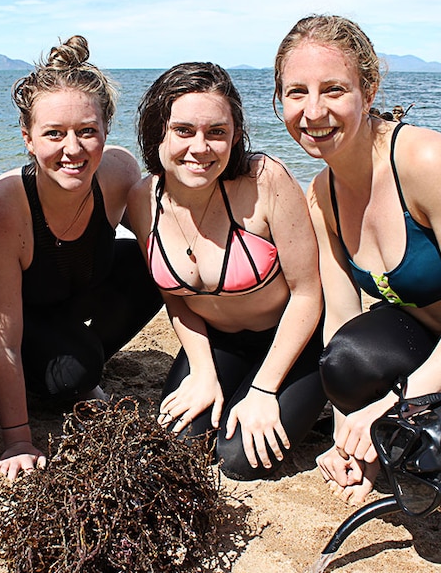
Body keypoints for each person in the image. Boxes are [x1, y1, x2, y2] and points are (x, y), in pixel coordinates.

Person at [273, 14, 441, 505]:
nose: (313, 111)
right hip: (430, 347)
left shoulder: (427, 160)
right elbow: (340, 317)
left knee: (414, 470)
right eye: (297, 92)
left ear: (369, 87)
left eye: (333, 89)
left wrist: (396, 405)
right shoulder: (321, 195)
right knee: (343, 360)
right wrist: (345, 434)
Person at [0, 35, 162, 481]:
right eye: (54, 133)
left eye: (87, 131)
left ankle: (82, 354)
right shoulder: (3, 206)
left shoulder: (118, 172)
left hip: (69, 292)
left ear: (106, 132)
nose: (72, 149)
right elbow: (2, 338)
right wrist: (17, 439)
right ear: (28, 139)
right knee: (72, 376)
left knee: (150, 266)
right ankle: (73, 366)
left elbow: (169, 265)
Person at [126, 62, 326, 480]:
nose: (200, 147)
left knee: (238, 459)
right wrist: (201, 371)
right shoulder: (143, 199)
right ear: (156, 132)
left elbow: (308, 293)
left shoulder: (263, 180)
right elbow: (176, 297)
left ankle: (304, 399)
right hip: (217, 343)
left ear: (234, 137)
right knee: (178, 448)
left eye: (216, 132)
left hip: (293, 341)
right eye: (183, 130)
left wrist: (264, 389)